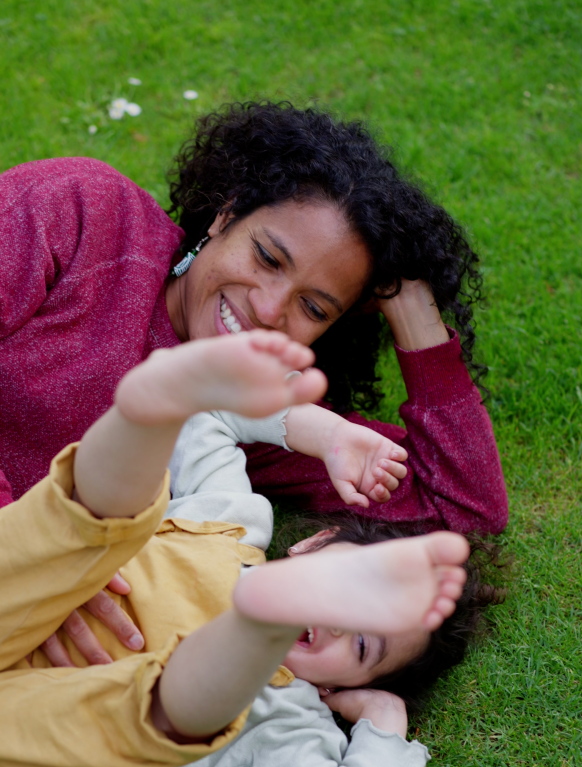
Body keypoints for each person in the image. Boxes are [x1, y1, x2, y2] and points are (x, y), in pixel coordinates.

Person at [0, 101, 507, 666]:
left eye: (313, 307)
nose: (268, 308)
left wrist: (409, 301)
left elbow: (463, 511)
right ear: (226, 214)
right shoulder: (84, 210)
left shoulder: (255, 417)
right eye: (267, 257)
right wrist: (30, 566)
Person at [0, 329, 470, 767]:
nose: (336, 622)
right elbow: (210, 419)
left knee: (139, 718)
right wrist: (328, 434)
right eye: (350, 590)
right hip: (31, 601)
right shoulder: (234, 522)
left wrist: (385, 723)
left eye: (363, 641)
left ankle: (250, 637)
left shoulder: (287, 722)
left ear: (341, 687)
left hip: (36, 730)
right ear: (313, 543)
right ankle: (144, 417)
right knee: (76, 537)